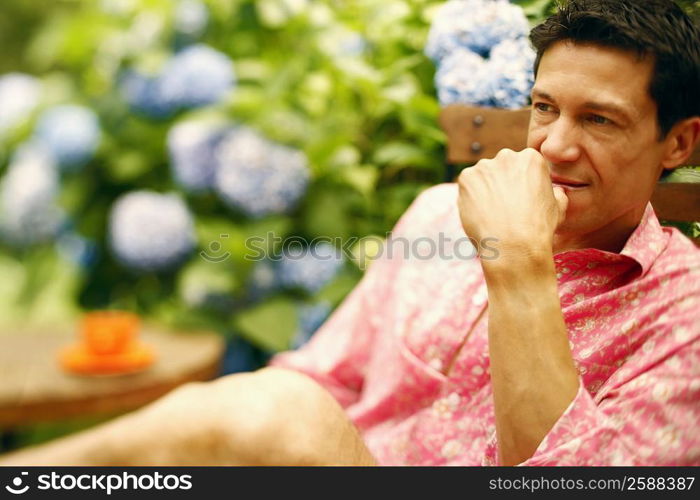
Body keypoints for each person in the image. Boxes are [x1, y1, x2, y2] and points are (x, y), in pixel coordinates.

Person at [1, 0, 699, 466]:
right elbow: (322, 374)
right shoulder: (438, 215)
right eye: (545, 108)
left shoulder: (685, 318)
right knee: (278, 403)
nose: (552, 147)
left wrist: (518, 263)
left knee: (284, 413)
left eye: (600, 120)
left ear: (678, 144)